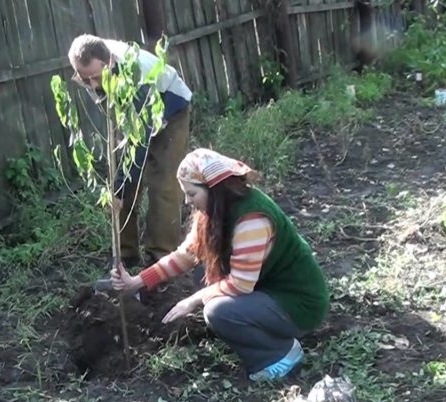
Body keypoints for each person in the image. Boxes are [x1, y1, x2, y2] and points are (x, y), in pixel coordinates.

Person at [110, 148, 329, 381]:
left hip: (299, 304)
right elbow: (185, 255)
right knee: (202, 274)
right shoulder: (216, 210)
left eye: (192, 194)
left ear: (213, 188)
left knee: (217, 311)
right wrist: (137, 282)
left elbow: (242, 285)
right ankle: (255, 326)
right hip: (268, 289)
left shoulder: (252, 220)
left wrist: (193, 300)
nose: (187, 201)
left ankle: (281, 354)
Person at [67, 34, 193, 267]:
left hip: (170, 108)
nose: (94, 86)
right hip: (131, 113)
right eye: (86, 79)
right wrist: (120, 186)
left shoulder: (138, 74)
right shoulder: (92, 61)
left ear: (110, 62)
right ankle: (125, 256)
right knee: (120, 181)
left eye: (96, 77)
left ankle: (161, 257)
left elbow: (139, 142)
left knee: (163, 183)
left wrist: (121, 189)